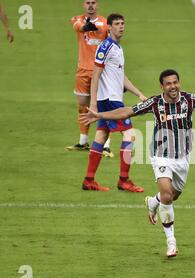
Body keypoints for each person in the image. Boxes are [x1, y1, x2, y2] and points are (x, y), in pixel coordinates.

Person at [79, 69, 195, 258]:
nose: (173, 86)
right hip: (161, 156)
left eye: (175, 82)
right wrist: (100, 116)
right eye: (168, 83)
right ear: (162, 86)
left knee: (172, 196)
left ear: (179, 82)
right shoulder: (154, 103)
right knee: (167, 195)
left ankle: (153, 202)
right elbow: (127, 111)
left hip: (182, 158)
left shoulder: (189, 100)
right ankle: (171, 242)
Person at [82, 13, 147, 192]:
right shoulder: (106, 46)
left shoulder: (117, 48)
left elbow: (121, 76)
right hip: (110, 100)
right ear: (109, 27)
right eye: (117, 24)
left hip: (110, 99)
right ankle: (124, 180)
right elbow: (95, 75)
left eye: (123, 23)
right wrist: (93, 104)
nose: (121, 26)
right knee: (130, 135)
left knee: (101, 136)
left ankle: (89, 180)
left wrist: (139, 94)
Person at [67, 0, 113, 156]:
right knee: (82, 106)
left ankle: (106, 145)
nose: (91, 5)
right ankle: (83, 141)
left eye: (93, 2)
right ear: (83, 5)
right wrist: (85, 27)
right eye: (88, 2)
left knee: (104, 107)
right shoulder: (77, 19)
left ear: (97, 4)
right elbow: (76, 25)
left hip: (100, 72)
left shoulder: (106, 23)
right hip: (82, 71)